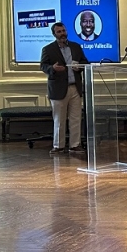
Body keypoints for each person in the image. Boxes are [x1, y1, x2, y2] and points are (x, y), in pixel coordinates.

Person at [40, 22, 89, 155]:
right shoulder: (48, 49)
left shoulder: (76, 47)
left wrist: (79, 65)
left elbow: (85, 62)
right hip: (58, 89)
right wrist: (53, 69)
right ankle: (58, 146)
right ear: (54, 34)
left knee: (75, 118)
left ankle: (75, 145)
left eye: (63, 31)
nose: (62, 33)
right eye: (59, 32)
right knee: (59, 119)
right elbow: (43, 66)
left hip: (75, 87)